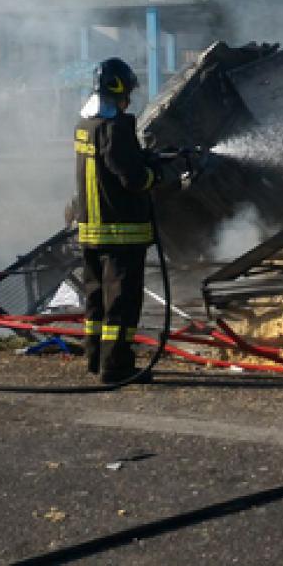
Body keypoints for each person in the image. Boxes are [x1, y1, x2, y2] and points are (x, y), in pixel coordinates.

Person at [71, 57, 178, 383]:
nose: (129, 99)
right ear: (119, 91)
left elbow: (108, 163)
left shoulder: (85, 125)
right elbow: (132, 179)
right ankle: (116, 367)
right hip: (120, 234)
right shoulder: (115, 127)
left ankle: (95, 358)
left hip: (91, 232)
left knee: (96, 302)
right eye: (127, 92)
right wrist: (158, 174)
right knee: (121, 304)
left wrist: (145, 156)